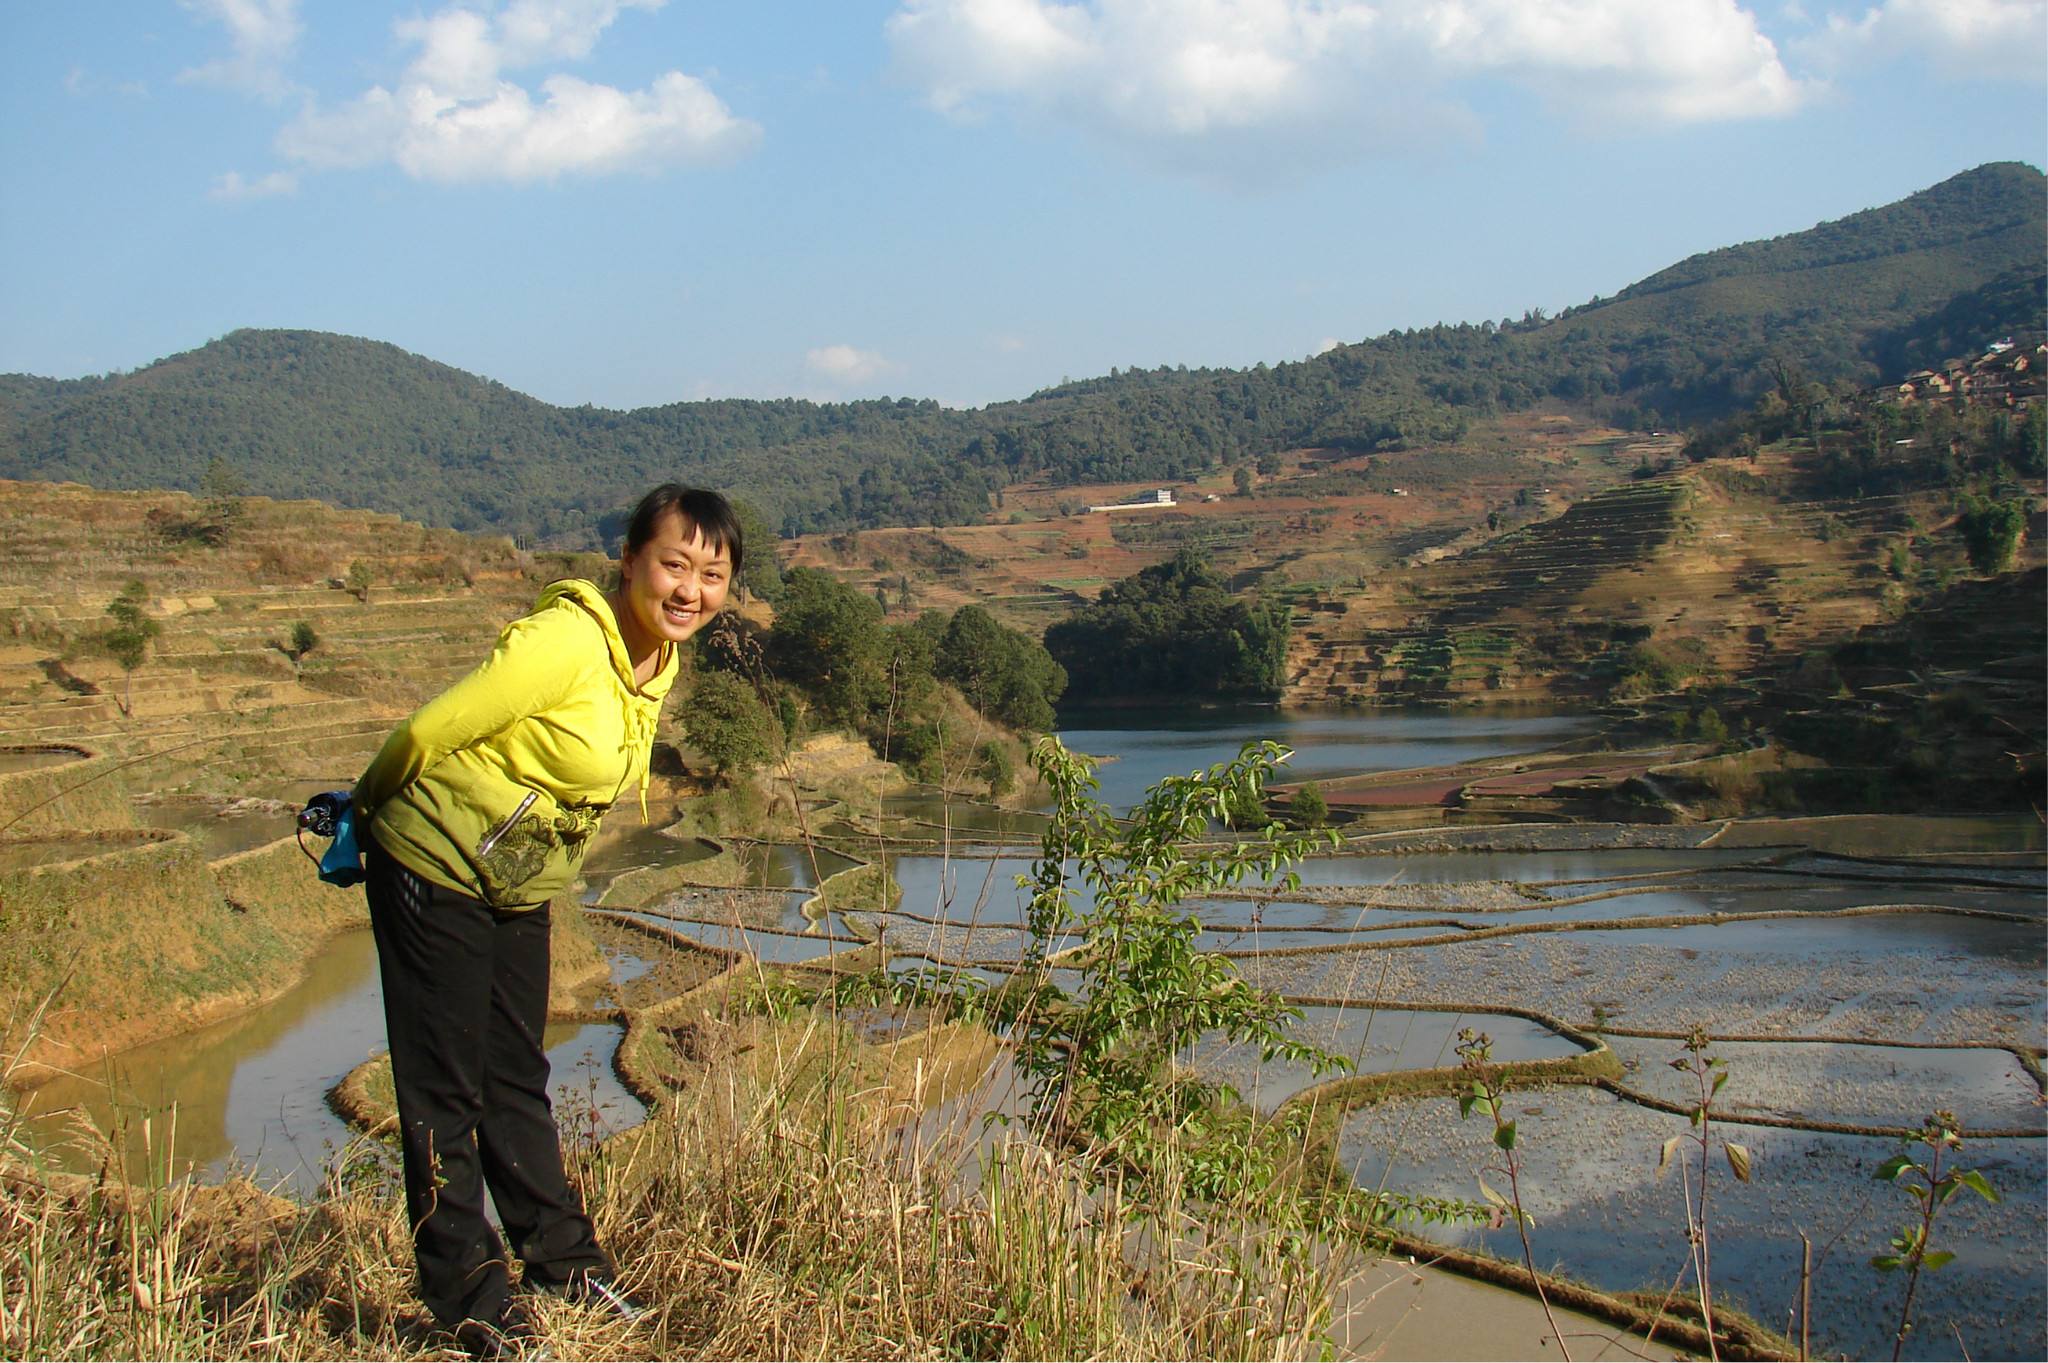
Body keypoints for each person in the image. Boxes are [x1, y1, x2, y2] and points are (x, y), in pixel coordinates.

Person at [351, 484, 739, 1354]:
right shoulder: (566, 640)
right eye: (673, 564)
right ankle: (471, 1302)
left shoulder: (658, 662)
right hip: (435, 860)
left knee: (515, 1074)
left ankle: (569, 1266)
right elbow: (432, 727)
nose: (689, 589)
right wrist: (362, 808)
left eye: (711, 574)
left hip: (518, 883)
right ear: (631, 559)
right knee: (443, 1088)